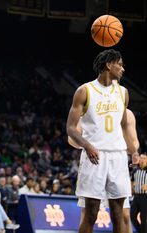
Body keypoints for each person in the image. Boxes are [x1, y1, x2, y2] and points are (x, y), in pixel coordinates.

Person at [66, 49, 139, 233]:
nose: (123, 68)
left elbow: (123, 125)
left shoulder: (123, 93)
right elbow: (71, 128)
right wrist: (87, 145)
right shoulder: (84, 91)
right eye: (120, 64)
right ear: (109, 65)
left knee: (119, 214)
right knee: (91, 213)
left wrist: (133, 150)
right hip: (94, 157)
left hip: (118, 157)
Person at [70, 107, 139, 233]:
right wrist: (90, 145)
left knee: (124, 215)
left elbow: (134, 141)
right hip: (93, 161)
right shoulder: (87, 107)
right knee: (89, 212)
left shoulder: (127, 113)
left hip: (117, 162)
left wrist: (129, 149)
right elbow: (72, 139)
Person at [130, 153, 147, 233]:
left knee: (143, 218)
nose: (142, 160)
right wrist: (132, 187)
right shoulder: (135, 170)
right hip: (136, 197)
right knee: (132, 216)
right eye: (141, 158)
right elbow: (132, 181)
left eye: (144, 158)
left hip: (145, 197)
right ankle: (141, 231)